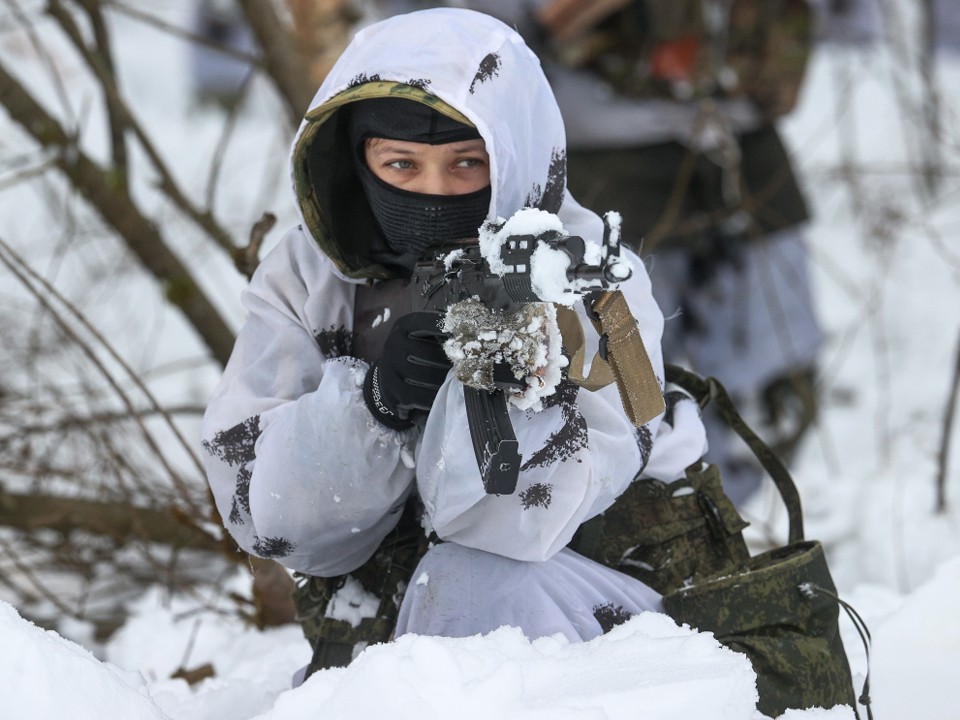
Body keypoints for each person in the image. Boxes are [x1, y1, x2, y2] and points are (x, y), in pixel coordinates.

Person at [200, 8, 708, 678]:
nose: (433, 193)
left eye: (467, 164)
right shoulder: (309, 278)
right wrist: (370, 412)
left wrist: (491, 379)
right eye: (401, 164)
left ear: (510, 158)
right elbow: (265, 517)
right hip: (398, 639)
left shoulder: (586, 278)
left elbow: (521, 524)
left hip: (604, 632)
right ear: (359, 161)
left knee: (471, 579)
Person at [366, 0, 824, 508]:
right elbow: (428, 33)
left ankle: (718, 526)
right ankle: (646, 536)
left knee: (775, 387)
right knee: (620, 387)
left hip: (746, 139)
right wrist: (542, 16)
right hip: (605, 149)